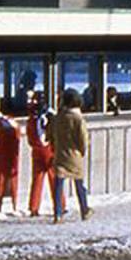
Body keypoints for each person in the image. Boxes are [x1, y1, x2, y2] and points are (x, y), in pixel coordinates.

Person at [47, 88, 92, 223]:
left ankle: (58, 213)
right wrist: (83, 150)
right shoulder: (78, 119)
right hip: (74, 155)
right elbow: (82, 138)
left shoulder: (57, 118)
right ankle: (84, 209)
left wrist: (54, 147)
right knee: (79, 183)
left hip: (60, 154)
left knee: (58, 184)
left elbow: (50, 134)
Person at [26, 91, 62, 217]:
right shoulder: (51, 116)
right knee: (54, 179)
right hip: (50, 150)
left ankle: (33, 207)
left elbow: (30, 138)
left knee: (37, 179)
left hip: (37, 150)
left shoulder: (32, 118)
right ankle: (59, 205)